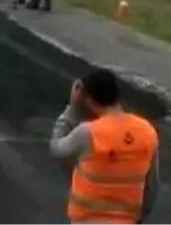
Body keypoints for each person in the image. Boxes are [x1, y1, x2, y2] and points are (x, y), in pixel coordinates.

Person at [50, 68, 160, 224]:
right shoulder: (147, 131)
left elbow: (57, 148)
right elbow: (152, 187)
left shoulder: (88, 133)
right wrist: (139, 218)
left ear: (87, 99)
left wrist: (72, 109)